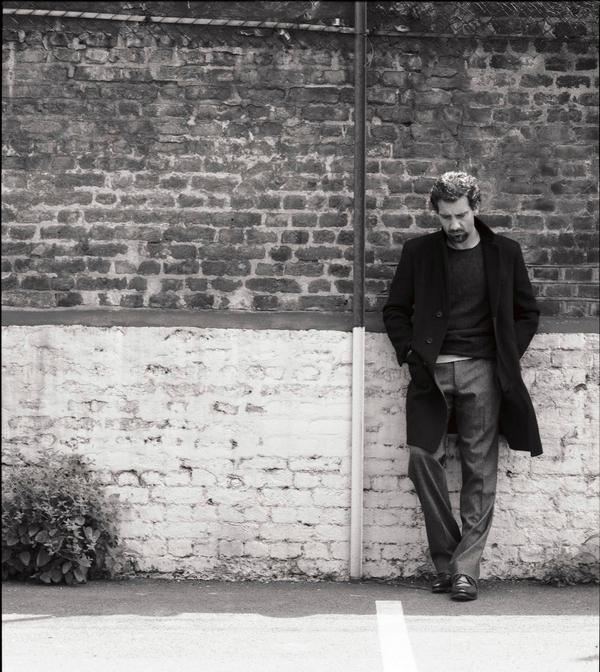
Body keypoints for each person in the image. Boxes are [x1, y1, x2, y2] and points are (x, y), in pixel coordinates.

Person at [382, 172, 542, 601]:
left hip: (484, 371)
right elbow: (395, 310)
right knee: (422, 458)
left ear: (476, 208)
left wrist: (506, 354)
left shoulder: (504, 252)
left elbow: (527, 312)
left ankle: (465, 571)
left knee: (479, 469)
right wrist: (410, 353)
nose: (454, 225)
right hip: (430, 372)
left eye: (461, 215)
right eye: (445, 217)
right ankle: (449, 562)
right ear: (435, 214)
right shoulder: (419, 253)